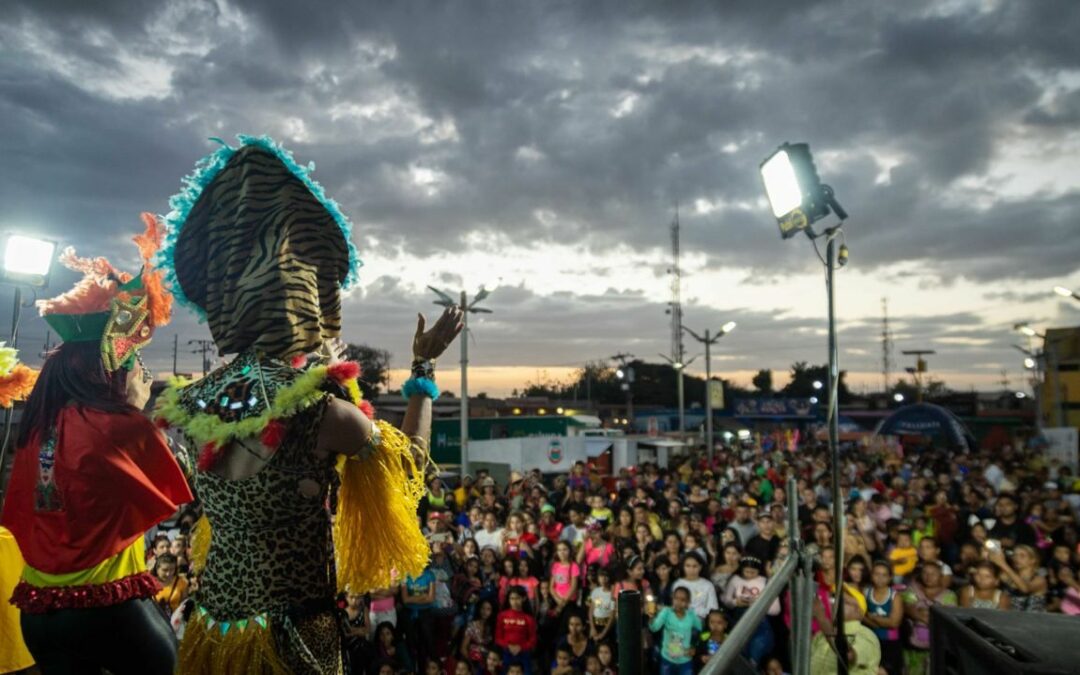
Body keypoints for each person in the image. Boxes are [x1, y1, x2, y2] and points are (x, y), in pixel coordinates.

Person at [153, 135, 463, 674]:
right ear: (310, 304)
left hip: (212, 634)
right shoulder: (321, 414)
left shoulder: (192, 406)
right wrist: (423, 369)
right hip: (293, 641)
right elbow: (411, 466)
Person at [1, 225, 193, 675]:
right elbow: (181, 487)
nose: (140, 376)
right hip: (107, 612)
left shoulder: (38, 427)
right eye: (133, 367)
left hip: (38, 614)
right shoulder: (118, 425)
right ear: (108, 372)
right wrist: (138, 409)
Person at [901, 562, 957, 675]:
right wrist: (931, 614)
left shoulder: (950, 596)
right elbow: (910, 610)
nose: (928, 577)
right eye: (925, 573)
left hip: (937, 650)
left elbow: (946, 619)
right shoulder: (911, 590)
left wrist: (921, 611)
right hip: (913, 648)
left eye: (933, 574)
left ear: (941, 576)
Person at [810, 586, 881, 674]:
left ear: (858, 611)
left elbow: (848, 656)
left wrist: (822, 619)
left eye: (842, 601)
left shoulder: (866, 635)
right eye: (833, 599)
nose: (833, 604)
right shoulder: (821, 634)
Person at [647, 586, 702, 675]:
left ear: (688, 602)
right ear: (672, 598)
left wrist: (695, 646)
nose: (678, 602)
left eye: (683, 600)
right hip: (667, 659)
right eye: (676, 598)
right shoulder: (666, 612)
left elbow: (702, 630)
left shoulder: (691, 616)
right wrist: (651, 617)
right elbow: (654, 628)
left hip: (685, 660)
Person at [863, 561, 903, 675]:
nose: (880, 578)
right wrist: (880, 622)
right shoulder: (866, 592)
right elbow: (861, 616)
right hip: (870, 641)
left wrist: (872, 617)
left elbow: (894, 623)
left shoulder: (895, 596)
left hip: (890, 643)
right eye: (876, 574)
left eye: (884, 575)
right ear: (871, 576)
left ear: (890, 578)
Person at [495, 586, 538, 675]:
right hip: (506, 652)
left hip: (523, 653)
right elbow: (498, 638)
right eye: (512, 598)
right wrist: (508, 646)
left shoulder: (529, 619)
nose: (514, 602)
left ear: (524, 598)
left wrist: (521, 647)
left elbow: (533, 640)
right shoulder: (502, 616)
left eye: (517, 598)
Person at [672, 552, 718, 621]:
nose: (691, 570)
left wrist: (694, 612)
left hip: (701, 621)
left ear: (700, 567)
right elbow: (675, 606)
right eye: (688, 566)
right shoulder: (678, 584)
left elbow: (713, 609)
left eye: (694, 566)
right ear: (683, 567)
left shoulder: (708, 585)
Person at [588, 566, 616, 643]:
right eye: (601, 576)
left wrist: (603, 633)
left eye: (606, 576)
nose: (603, 579)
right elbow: (591, 610)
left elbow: (612, 615)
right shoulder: (596, 591)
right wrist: (592, 627)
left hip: (607, 627)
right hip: (595, 624)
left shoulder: (613, 594)